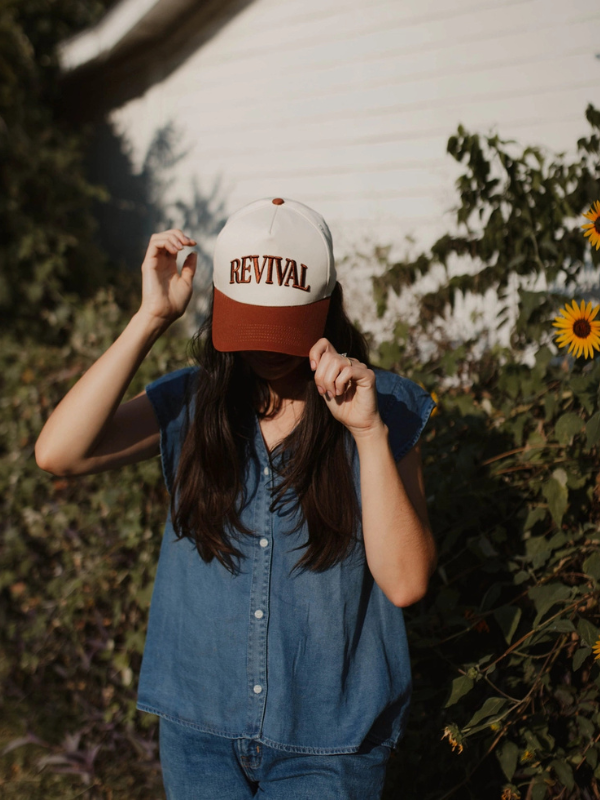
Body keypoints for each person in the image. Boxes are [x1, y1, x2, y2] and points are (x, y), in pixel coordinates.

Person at [35, 197, 438, 800]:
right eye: (249, 326)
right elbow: (58, 453)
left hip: (329, 745)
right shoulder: (194, 403)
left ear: (327, 306)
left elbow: (406, 582)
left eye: (284, 329)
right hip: (199, 734)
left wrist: (367, 433)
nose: (265, 351)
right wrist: (150, 317)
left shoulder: (384, 406)